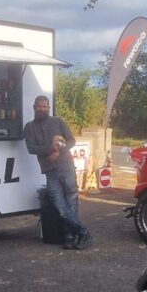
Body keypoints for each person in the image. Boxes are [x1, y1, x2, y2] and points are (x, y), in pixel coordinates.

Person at [23, 95, 92, 249]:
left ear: (49, 108)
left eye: (45, 106)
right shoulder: (29, 127)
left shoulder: (58, 122)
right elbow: (31, 148)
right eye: (39, 106)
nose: (42, 109)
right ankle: (83, 232)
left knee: (71, 203)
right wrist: (51, 148)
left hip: (66, 166)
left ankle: (69, 237)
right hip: (50, 171)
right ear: (34, 107)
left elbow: (71, 140)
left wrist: (59, 151)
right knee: (60, 208)